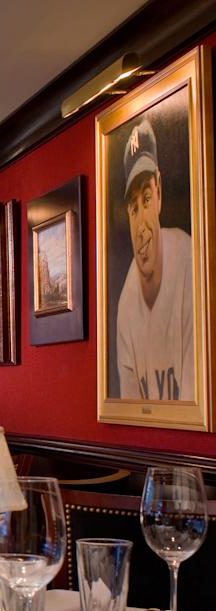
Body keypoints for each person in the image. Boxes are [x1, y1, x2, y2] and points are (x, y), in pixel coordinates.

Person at [115, 117, 194, 401]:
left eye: (146, 199)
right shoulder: (126, 306)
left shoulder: (189, 264)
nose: (142, 228)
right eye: (134, 208)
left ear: (159, 191)